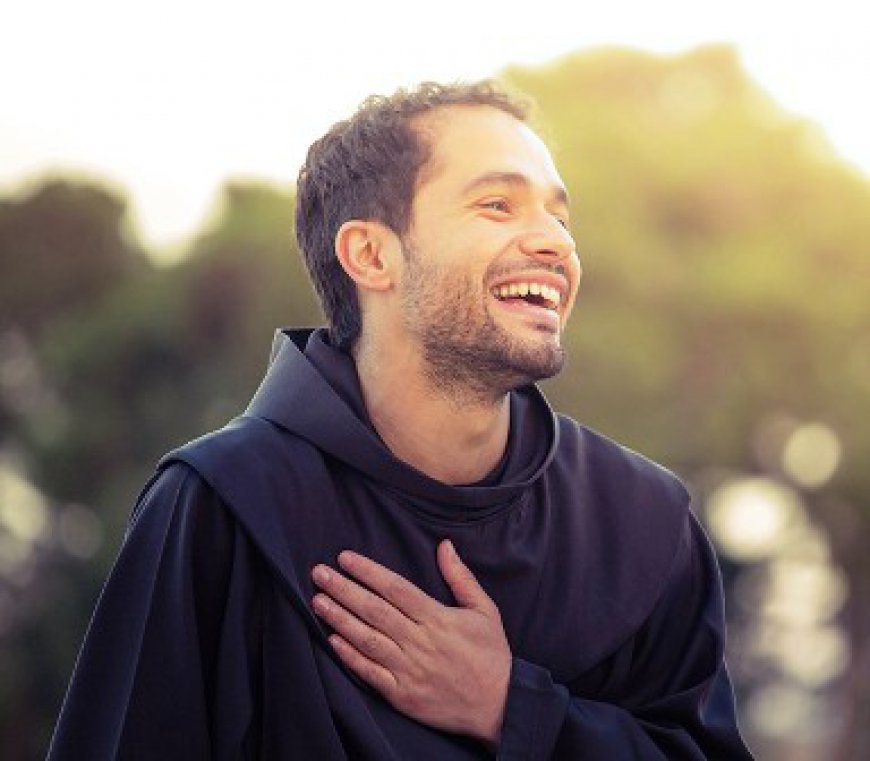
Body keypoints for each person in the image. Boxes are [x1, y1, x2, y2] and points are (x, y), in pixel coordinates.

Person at [48, 81, 753, 759]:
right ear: (371, 255)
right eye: (498, 205)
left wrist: (511, 708)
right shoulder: (222, 506)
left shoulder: (642, 521)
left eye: (559, 217)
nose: (555, 243)